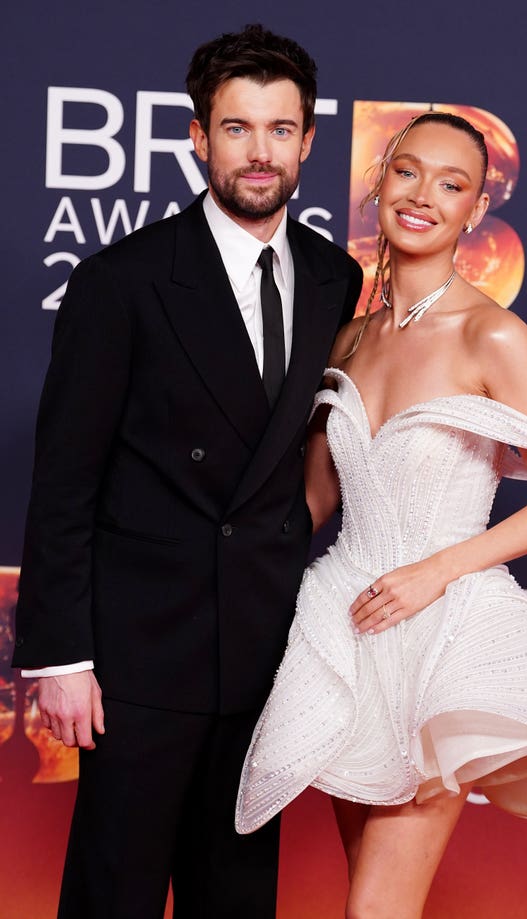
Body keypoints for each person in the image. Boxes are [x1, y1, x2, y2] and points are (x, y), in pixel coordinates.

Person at [235, 112, 527, 918]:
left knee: (377, 910)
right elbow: (311, 502)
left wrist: (434, 571)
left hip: (438, 633)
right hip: (345, 623)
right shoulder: (346, 339)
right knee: (370, 902)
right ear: (377, 181)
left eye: (452, 185)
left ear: (476, 210)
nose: (423, 197)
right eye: (408, 172)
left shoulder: (494, 334)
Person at [13, 23, 362, 919]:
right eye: (237, 128)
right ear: (199, 137)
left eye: (280, 130)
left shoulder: (334, 277)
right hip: (138, 652)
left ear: (309, 141)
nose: (260, 153)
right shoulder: (121, 281)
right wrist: (61, 656)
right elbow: (63, 482)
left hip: (262, 650)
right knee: (114, 890)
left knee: (237, 894)